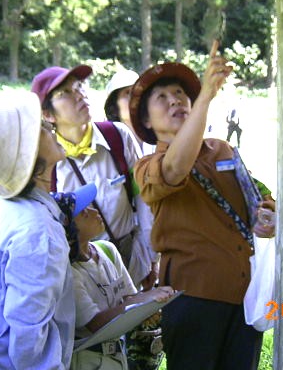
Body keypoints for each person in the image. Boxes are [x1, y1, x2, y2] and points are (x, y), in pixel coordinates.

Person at [128, 43, 276, 370]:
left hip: (245, 296)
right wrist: (206, 97)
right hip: (193, 300)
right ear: (147, 122)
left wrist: (267, 214)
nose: (175, 100)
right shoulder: (147, 166)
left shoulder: (222, 149)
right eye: (161, 97)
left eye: (180, 93)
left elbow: (257, 195)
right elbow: (174, 169)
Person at [0, 92, 76, 369]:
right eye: (40, 126)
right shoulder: (37, 231)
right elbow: (29, 346)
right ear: (29, 151)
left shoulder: (3, 205)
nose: (50, 126)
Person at [31, 65, 156, 291]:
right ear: (48, 114)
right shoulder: (48, 162)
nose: (79, 94)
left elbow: (143, 198)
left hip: (133, 255)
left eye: (79, 86)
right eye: (65, 92)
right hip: (87, 271)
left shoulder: (117, 136)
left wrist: (149, 256)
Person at [69, 201, 174, 370]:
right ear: (69, 229)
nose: (95, 211)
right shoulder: (70, 272)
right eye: (84, 213)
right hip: (88, 360)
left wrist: (147, 307)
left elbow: (129, 297)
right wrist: (142, 299)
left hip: (118, 355)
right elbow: (95, 323)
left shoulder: (107, 249)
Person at [104, 68, 163, 370]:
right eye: (127, 94)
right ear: (113, 104)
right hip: (114, 254)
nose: (134, 100)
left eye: (140, 93)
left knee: (146, 337)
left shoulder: (158, 143)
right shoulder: (107, 145)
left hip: (149, 253)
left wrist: (152, 259)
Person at [104, 68, 155, 156]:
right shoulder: (108, 145)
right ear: (114, 108)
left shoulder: (159, 137)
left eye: (138, 92)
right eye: (127, 93)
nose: (135, 97)